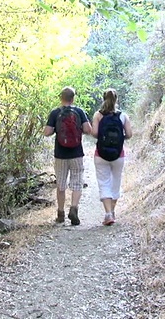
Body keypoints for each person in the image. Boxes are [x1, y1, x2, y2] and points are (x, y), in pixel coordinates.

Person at [44, 87, 92, 225]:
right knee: (77, 182)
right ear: (73, 98)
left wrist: (56, 130)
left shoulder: (55, 113)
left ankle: (60, 214)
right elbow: (88, 130)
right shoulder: (79, 112)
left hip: (60, 154)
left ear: (61, 98)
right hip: (76, 153)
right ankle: (74, 209)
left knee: (61, 184)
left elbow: (47, 132)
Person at [91, 88, 133, 226]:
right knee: (116, 182)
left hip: (101, 154)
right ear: (116, 99)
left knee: (104, 182)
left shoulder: (98, 115)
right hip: (118, 154)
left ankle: (108, 213)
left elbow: (94, 133)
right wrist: (119, 138)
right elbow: (129, 134)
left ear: (103, 99)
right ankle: (112, 211)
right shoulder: (123, 116)